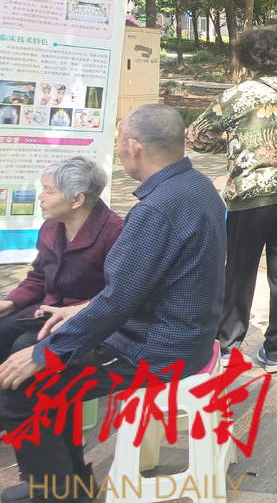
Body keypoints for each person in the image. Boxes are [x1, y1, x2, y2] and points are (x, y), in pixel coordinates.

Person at [0, 104, 226, 503]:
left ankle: (58, 494)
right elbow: (137, 287)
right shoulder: (197, 186)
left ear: (134, 147)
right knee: (35, 350)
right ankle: (68, 482)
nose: (119, 150)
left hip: (156, 350)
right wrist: (77, 313)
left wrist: (44, 353)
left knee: (27, 379)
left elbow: (119, 300)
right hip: (182, 333)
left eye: (120, 140)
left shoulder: (155, 209)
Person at [187, 26, 277, 373]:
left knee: (239, 270)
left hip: (249, 196)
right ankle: (276, 352)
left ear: (246, 61)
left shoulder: (233, 97)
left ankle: (227, 345)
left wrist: (232, 145)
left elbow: (196, 138)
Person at [0, 156, 122, 363]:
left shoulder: (115, 233)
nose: (40, 197)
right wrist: (11, 302)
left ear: (77, 200)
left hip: (85, 319)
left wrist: (72, 311)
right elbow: (39, 276)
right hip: (44, 311)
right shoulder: (51, 226)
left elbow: (118, 294)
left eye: (48, 191)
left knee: (25, 346)